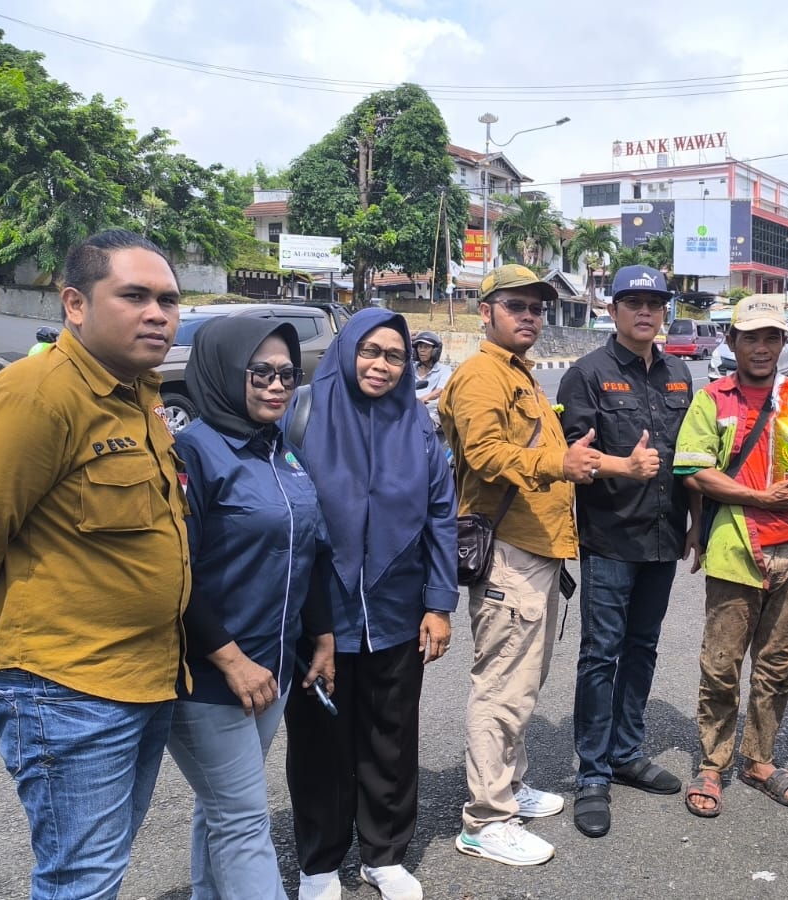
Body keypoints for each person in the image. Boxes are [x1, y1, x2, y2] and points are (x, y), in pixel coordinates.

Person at [0, 230, 189, 899]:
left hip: (141, 674)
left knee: (101, 867)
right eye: (134, 296)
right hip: (67, 688)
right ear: (75, 304)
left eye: (168, 300)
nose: (157, 314)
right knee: (80, 880)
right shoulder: (36, 395)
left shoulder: (139, 396)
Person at [285, 307, 457, 900]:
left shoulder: (418, 426)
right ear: (348, 350)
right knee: (320, 743)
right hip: (320, 616)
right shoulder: (303, 413)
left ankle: (384, 855)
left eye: (395, 356)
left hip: (396, 612)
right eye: (371, 351)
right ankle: (319, 864)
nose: (382, 365)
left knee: (392, 737)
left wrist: (439, 603)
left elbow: (441, 515)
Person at [167, 317, 335, 900]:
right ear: (224, 372)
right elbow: (174, 573)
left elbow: (308, 547)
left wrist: (321, 635)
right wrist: (231, 660)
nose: (277, 385)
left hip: (273, 667)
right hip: (211, 676)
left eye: (288, 374)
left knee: (220, 805)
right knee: (241, 819)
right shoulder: (192, 453)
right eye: (260, 372)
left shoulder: (278, 448)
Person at [442, 264, 603, 867]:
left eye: (537, 307)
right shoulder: (481, 375)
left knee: (523, 681)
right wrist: (558, 465)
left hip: (535, 549)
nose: (530, 316)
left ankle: (508, 784)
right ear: (486, 312)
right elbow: (485, 454)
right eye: (516, 306)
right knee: (502, 687)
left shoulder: (520, 372)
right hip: (507, 552)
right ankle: (487, 818)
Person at [674, 295, 788, 818]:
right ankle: (712, 762)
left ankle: (759, 759)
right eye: (751, 337)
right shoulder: (712, 399)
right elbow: (693, 471)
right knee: (721, 664)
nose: (761, 348)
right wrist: (759, 498)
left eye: (772, 338)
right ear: (732, 341)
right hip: (736, 546)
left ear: (784, 343)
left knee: (777, 662)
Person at [557, 264, 696, 838]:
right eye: (633, 302)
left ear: (664, 312)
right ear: (612, 311)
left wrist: (697, 521)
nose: (644, 312)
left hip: (664, 537)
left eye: (654, 303)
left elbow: (692, 455)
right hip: (611, 537)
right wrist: (626, 466)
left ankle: (626, 752)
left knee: (643, 648)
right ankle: (592, 774)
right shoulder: (586, 375)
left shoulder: (680, 374)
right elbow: (571, 457)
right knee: (601, 654)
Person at [412, 330, 451, 431]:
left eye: (426, 347)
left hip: (432, 413)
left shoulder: (444, 370)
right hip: (410, 409)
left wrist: (422, 399)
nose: (422, 350)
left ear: (435, 350)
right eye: (420, 347)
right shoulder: (410, 369)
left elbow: (440, 391)